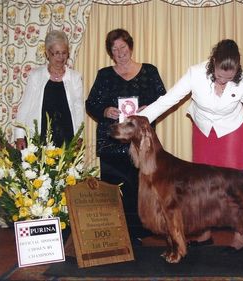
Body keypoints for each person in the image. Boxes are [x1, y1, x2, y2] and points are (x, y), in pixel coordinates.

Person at [139, 39, 243, 248]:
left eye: (229, 77)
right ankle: (204, 233)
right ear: (213, 62)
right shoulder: (195, 74)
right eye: (219, 75)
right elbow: (168, 100)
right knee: (202, 185)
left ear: (237, 70)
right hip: (203, 129)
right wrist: (141, 117)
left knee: (235, 185)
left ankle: (240, 234)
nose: (223, 81)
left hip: (232, 130)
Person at [85, 28, 166, 243]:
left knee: (141, 189)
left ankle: (141, 231)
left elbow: (164, 100)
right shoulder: (104, 74)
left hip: (141, 144)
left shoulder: (149, 71)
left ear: (130, 46)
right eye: (115, 49)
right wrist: (104, 111)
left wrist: (149, 109)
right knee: (114, 190)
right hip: (111, 141)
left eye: (123, 47)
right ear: (110, 53)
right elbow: (91, 103)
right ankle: (116, 233)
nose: (120, 52)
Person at [15, 30, 84, 149]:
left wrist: (79, 136)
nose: (60, 57)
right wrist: (19, 135)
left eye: (64, 53)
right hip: (39, 136)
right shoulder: (36, 75)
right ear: (47, 53)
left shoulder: (75, 77)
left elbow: (78, 109)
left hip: (66, 137)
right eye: (56, 53)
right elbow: (26, 105)